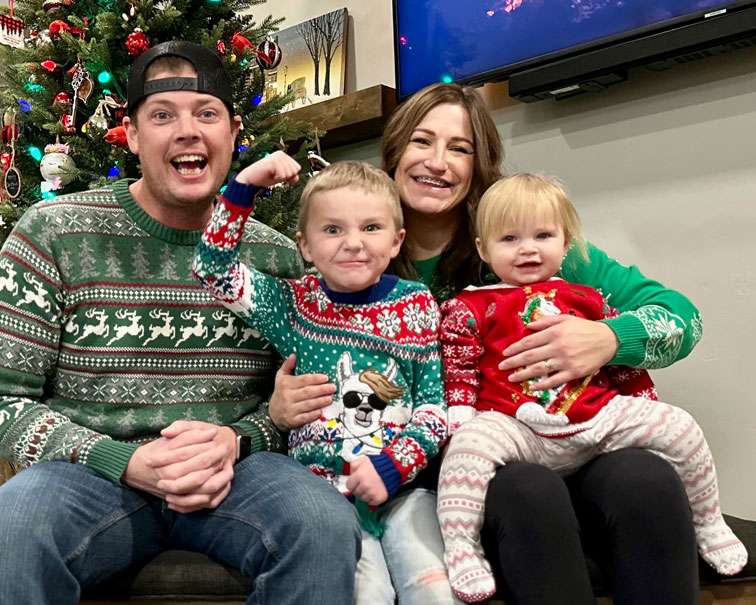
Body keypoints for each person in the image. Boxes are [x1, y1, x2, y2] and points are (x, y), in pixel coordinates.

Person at [0, 41, 361, 605]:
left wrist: (239, 440)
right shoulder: (53, 231)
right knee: (3, 532)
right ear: (134, 135)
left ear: (234, 132)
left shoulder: (273, 256)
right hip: (90, 476)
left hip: (237, 475)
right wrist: (123, 459)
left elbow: (296, 406)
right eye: (163, 115)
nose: (188, 131)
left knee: (321, 523)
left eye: (207, 114)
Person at [269, 82, 707, 605]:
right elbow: (297, 346)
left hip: (573, 431)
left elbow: (685, 318)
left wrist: (610, 337)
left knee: (647, 477)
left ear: (481, 165)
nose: (437, 162)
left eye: (459, 148)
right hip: (450, 462)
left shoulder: (527, 241)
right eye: (421, 141)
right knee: (525, 488)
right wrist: (279, 407)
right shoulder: (352, 243)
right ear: (394, 151)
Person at [436, 173, 747, 602]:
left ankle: (709, 524)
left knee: (672, 437)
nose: (528, 248)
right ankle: (462, 549)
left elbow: (675, 325)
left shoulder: (585, 292)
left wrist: (611, 339)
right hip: (515, 427)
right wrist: (460, 412)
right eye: (510, 238)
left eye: (543, 236)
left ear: (565, 245)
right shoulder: (471, 303)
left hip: (591, 417)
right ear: (483, 248)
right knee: (478, 451)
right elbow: (459, 364)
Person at [192, 156, 448, 603]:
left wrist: (393, 467)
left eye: (371, 228)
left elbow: (432, 407)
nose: (353, 243)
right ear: (305, 246)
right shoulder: (294, 304)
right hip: (327, 501)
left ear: (396, 241)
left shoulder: (415, 304)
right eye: (333, 230)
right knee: (365, 596)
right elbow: (214, 269)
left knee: (434, 592)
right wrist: (245, 185)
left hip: (404, 492)